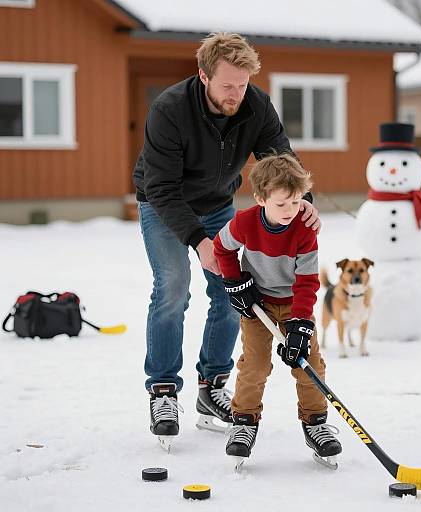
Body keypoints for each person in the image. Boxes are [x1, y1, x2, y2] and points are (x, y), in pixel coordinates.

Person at [132, 32, 321, 442]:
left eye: (243, 84)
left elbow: (281, 157)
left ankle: (211, 385)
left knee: (230, 288)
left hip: (217, 202)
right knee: (173, 288)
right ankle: (163, 388)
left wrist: (304, 199)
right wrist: (200, 241)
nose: (236, 94)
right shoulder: (170, 109)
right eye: (227, 85)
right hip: (164, 202)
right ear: (203, 76)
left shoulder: (256, 104)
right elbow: (162, 188)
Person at [213, 154, 341, 466]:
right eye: (281, 204)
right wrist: (234, 283)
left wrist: (300, 324)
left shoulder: (304, 230)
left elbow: (308, 281)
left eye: (296, 203)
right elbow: (222, 248)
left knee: (308, 365)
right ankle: (243, 422)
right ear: (260, 198)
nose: (290, 211)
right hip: (258, 307)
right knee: (254, 366)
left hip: (295, 305)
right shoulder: (244, 223)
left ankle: (316, 422)